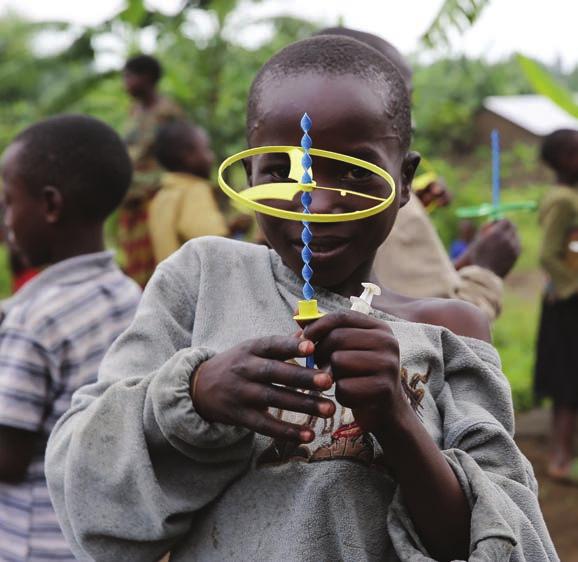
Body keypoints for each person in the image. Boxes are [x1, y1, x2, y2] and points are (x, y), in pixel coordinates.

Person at [46, 37, 556, 561]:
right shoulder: (202, 280)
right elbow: (85, 487)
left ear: (404, 179)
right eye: (281, 171)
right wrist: (194, 396)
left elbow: (508, 540)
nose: (317, 201)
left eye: (356, 170)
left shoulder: (451, 330)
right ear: (250, 176)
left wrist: (396, 419)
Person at [0, 115, 141, 561]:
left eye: (7, 202)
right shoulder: (128, 293)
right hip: (95, 535)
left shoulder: (35, 320)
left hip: (31, 540)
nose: (5, 221)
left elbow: (8, 456)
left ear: (50, 206)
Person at [318, 27, 520, 322]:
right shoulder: (392, 205)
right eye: (399, 104)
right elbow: (441, 337)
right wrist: (486, 269)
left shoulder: (285, 203)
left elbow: (396, 294)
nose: (410, 123)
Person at [534, 128, 578, 484]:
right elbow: (548, 254)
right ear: (566, 160)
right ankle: (560, 458)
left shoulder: (569, 195)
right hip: (568, 304)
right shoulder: (563, 200)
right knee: (568, 381)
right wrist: (572, 288)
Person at [121, 54, 183, 286]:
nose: (124, 83)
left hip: (155, 195)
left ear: (146, 78)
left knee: (159, 260)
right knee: (136, 264)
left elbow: (176, 153)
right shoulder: (134, 111)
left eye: (129, 76)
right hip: (133, 197)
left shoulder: (167, 113)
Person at [149, 121, 227, 263]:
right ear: (188, 156)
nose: (211, 157)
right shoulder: (195, 191)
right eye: (206, 149)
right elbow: (216, 248)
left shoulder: (159, 198)